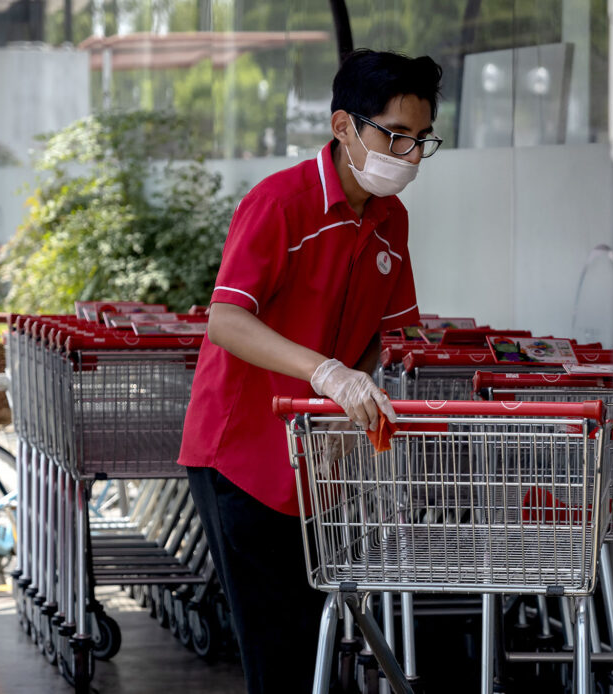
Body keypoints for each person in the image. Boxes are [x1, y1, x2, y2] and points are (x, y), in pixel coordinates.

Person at [178, 49, 443, 693]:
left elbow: (384, 334)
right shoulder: (280, 203)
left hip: (315, 461)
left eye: (421, 140)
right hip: (238, 454)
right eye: (395, 135)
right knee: (281, 655)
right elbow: (226, 320)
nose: (408, 155)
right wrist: (326, 374)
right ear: (343, 126)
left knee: (317, 646)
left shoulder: (390, 221)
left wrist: (351, 393)